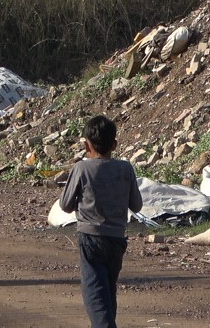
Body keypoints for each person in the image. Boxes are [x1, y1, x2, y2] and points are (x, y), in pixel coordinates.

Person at [59, 115, 142, 328]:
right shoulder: (125, 168)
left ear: (87, 145)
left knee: (94, 291)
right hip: (116, 240)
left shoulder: (81, 169)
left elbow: (65, 205)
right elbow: (137, 205)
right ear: (114, 144)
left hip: (90, 238)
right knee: (108, 290)